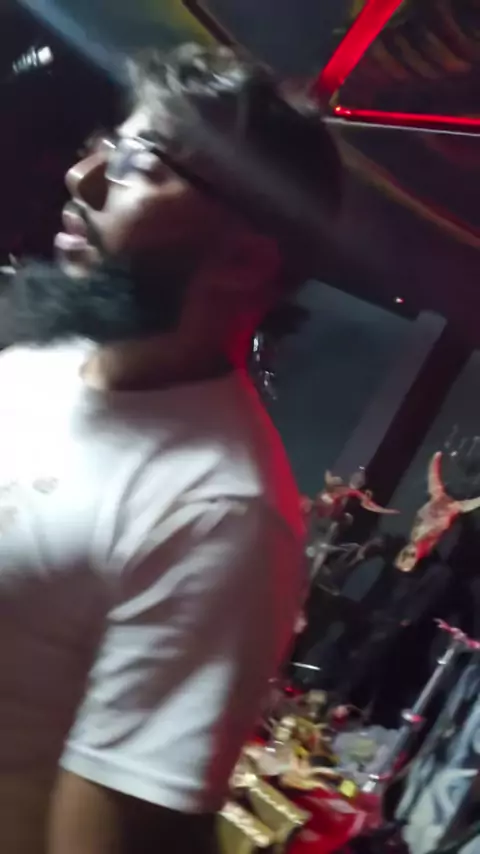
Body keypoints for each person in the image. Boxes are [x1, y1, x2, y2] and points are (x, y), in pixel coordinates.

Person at [0, 43, 341, 854]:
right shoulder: (41, 356)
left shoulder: (220, 516)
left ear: (245, 258)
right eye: (106, 146)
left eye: (140, 162)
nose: (82, 177)